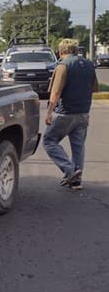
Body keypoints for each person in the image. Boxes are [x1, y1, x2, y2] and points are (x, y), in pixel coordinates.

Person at [43, 38, 98, 191]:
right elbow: (94, 89)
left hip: (65, 113)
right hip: (83, 112)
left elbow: (55, 93)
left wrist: (49, 113)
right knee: (78, 146)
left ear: (61, 51)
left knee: (49, 141)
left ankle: (70, 170)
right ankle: (76, 181)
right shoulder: (89, 65)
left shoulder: (63, 66)